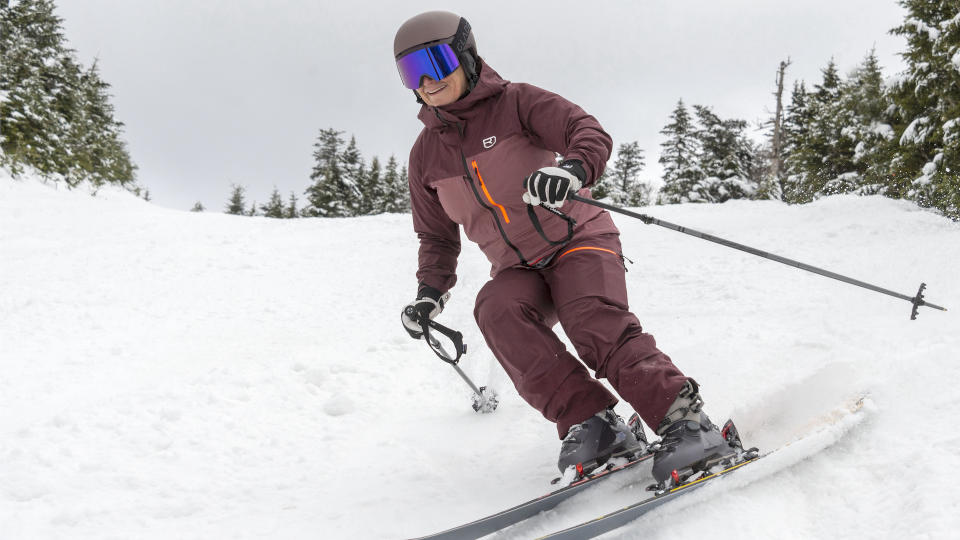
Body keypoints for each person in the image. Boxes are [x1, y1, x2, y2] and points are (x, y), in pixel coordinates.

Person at [394, 10, 733, 482]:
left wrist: (571, 169)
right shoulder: (425, 155)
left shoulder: (517, 103)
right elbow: (435, 236)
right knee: (496, 308)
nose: (427, 81)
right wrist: (428, 293)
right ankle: (593, 424)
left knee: (590, 318)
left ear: (467, 56)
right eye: (412, 71)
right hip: (517, 267)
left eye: (436, 61)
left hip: (578, 239)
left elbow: (586, 131)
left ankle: (686, 422)